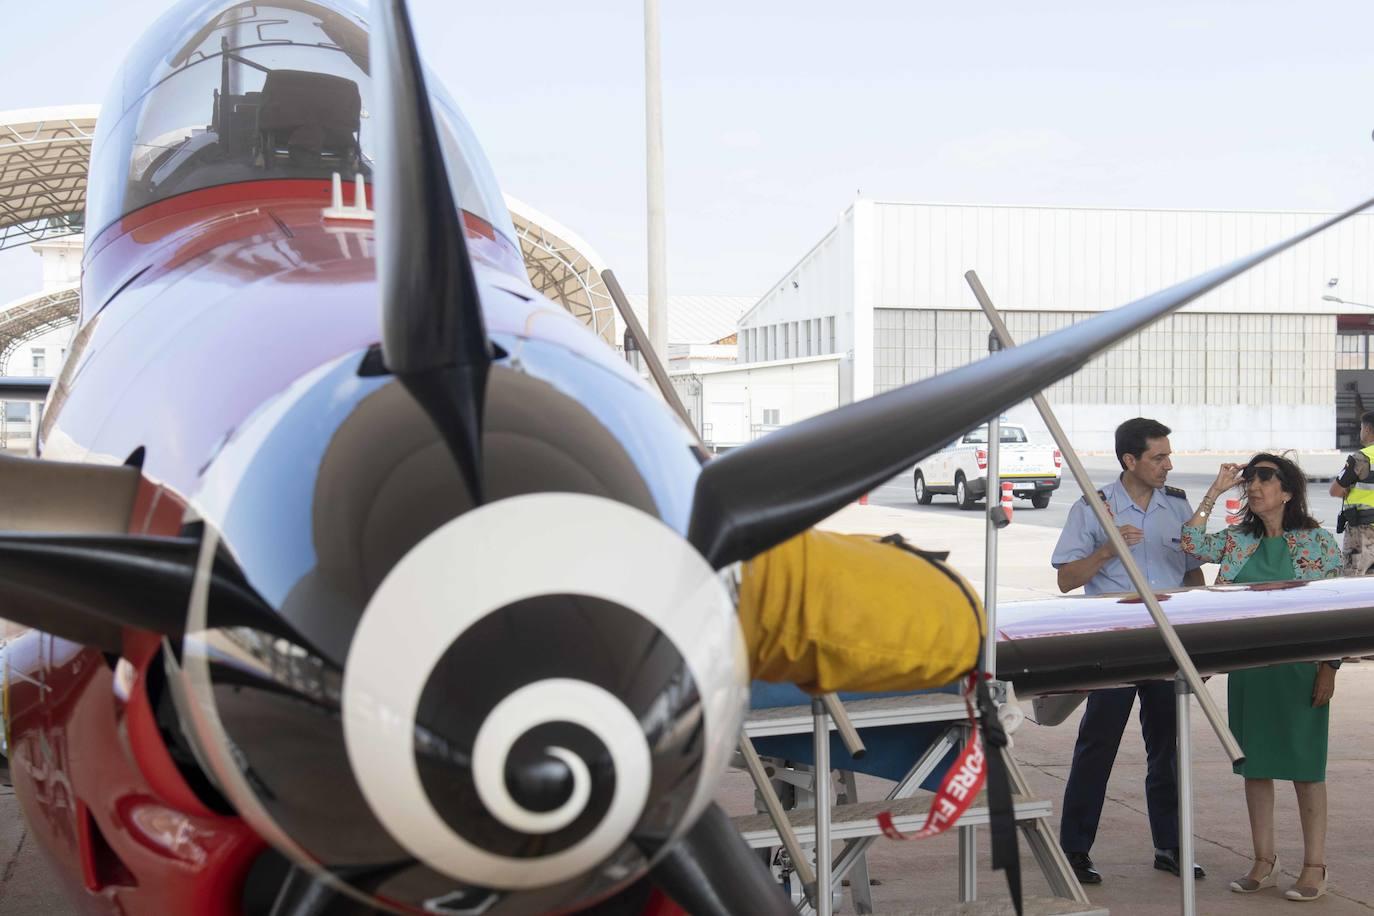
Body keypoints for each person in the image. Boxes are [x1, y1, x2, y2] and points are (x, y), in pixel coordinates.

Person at [1051, 418, 1206, 884]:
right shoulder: (1093, 508)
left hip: (1165, 639)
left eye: (1168, 455)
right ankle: (1075, 850)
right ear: (1130, 461)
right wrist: (1107, 551)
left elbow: (1192, 572)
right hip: (1115, 639)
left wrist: (1197, 635)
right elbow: (1065, 579)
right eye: (1158, 457)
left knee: (1168, 747)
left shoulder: (1176, 506)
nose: (1168, 465)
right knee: (1097, 746)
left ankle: (1171, 845)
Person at [1181, 453, 1341, 902]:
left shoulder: (1317, 543)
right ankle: (1263, 861)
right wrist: (1215, 491)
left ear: (1288, 490)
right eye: (1249, 478)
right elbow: (1191, 542)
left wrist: (1330, 667)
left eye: (1265, 478)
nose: (1254, 485)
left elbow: (1334, 611)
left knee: (1306, 770)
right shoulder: (1238, 540)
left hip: (1301, 670)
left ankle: (1315, 866)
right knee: (1256, 768)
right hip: (1251, 672)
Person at [1328, 411, 1374, 575]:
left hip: (1363, 532)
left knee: (1355, 583)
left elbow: (1335, 490)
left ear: (1367, 429)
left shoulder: (1362, 458)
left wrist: (1347, 489)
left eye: (1361, 428)